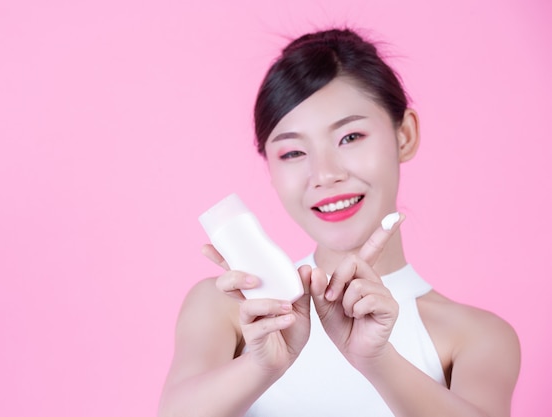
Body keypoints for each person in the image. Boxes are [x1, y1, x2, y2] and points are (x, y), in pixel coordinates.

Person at [158, 28, 520, 417]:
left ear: (405, 136)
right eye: (293, 152)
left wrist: (378, 360)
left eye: (350, 137)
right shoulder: (230, 307)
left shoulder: (478, 337)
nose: (324, 174)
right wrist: (261, 367)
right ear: (270, 168)